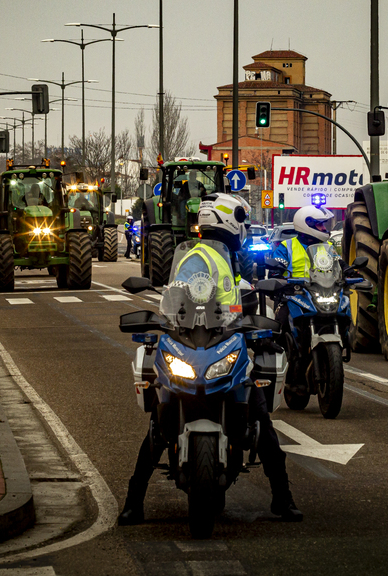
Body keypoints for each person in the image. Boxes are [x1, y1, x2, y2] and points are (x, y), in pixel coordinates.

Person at [118, 193, 302, 526]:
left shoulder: (226, 257)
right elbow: (180, 295)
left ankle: (282, 496)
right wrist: (165, 317)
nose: (243, 226)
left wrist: (253, 318)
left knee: (259, 420)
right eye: (240, 218)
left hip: (223, 339)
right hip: (191, 339)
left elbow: (228, 298)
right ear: (225, 219)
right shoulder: (197, 256)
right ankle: (133, 500)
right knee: (160, 425)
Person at [273, 205, 335, 279]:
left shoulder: (328, 246)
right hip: (294, 289)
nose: (324, 228)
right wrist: (276, 272)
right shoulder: (286, 247)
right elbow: (277, 267)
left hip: (323, 288)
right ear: (307, 224)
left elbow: (339, 264)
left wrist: (347, 270)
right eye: (320, 224)